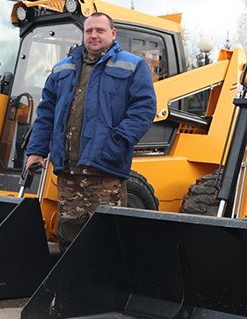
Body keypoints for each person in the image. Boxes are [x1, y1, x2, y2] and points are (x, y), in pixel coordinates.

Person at [25, 12, 156, 249]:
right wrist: (36, 152)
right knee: (70, 236)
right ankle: (71, 284)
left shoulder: (132, 66)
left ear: (113, 34)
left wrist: (116, 143)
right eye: (89, 31)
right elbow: (46, 114)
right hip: (69, 172)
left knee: (107, 238)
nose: (94, 35)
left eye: (100, 30)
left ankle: (104, 284)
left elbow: (144, 110)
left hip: (105, 170)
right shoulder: (61, 69)